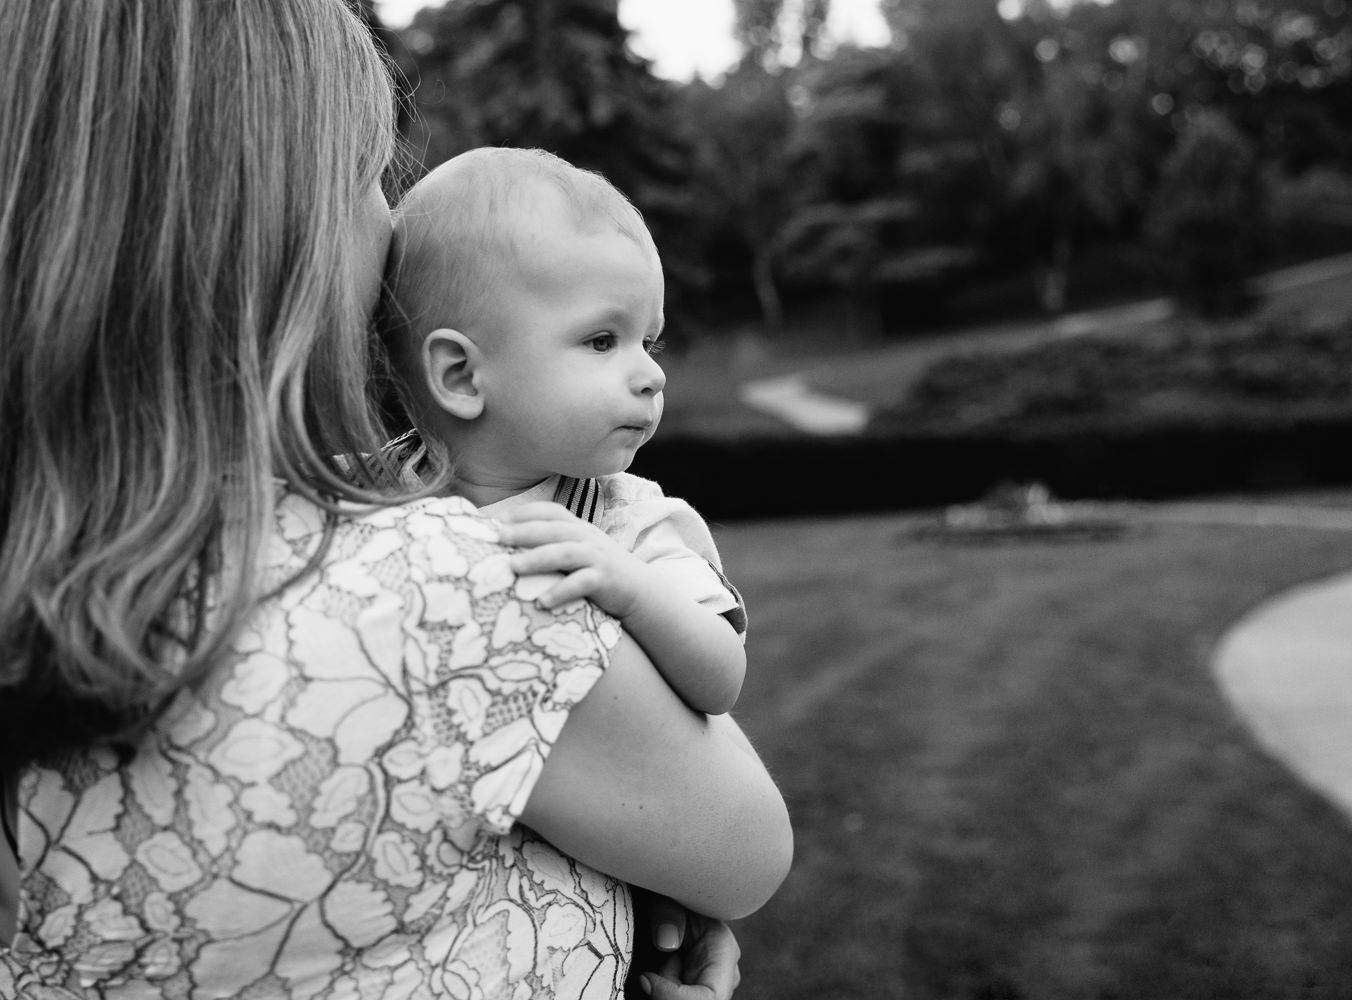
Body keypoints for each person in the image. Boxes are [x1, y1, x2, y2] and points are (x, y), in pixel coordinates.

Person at [0, 4, 792, 1000]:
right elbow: (746, 850)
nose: (391, 220)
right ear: (264, 220)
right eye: (371, 172)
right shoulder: (436, 590)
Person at [379, 147, 746, 720]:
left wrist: (631, 589)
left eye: (648, 342)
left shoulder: (630, 526)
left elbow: (721, 680)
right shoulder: (370, 489)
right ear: (462, 375)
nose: (653, 374)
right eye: (603, 340)